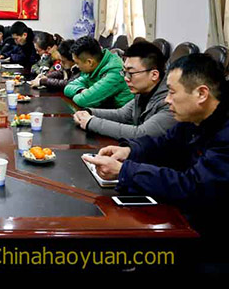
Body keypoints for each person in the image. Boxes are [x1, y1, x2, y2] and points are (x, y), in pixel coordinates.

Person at [82, 54, 229, 256]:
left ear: (201, 94)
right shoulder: (194, 117)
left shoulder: (225, 132)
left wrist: (125, 171)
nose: (167, 100)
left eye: (172, 92)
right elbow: (163, 144)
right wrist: (129, 150)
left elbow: (194, 186)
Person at [73, 41, 176, 139]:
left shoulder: (170, 102)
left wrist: (90, 122)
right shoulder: (143, 92)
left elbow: (141, 133)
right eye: (124, 72)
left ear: (154, 75)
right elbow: (122, 114)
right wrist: (88, 112)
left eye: (131, 73)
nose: (126, 78)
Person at [63, 35, 133, 108]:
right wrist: (81, 90)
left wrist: (82, 95)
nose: (76, 66)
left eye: (77, 63)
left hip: (119, 114)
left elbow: (84, 101)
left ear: (89, 62)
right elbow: (68, 87)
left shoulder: (114, 72)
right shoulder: (93, 67)